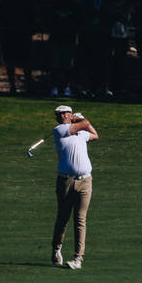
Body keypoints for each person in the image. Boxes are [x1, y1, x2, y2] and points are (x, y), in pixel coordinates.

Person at [49, 104, 98, 270]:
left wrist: (82, 120)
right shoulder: (60, 130)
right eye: (60, 114)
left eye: (66, 113)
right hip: (66, 182)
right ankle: (56, 248)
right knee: (63, 218)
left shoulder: (80, 134)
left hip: (85, 181)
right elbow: (85, 124)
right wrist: (81, 119)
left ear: (70, 115)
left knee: (80, 220)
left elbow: (95, 135)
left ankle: (78, 258)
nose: (63, 116)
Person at [0, 0, 34, 95]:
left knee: (26, 63)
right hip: (9, 36)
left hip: (23, 36)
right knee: (10, 62)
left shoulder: (26, 1)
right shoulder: (6, 2)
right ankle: (12, 86)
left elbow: (31, 19)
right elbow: (0, 19)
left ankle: (28, 86)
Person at [78, 0, 113, 96]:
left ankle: (104, 87)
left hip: (102, 34)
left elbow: (110, 15)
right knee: (88, 61)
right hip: (90, 34)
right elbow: (83, 14)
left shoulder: (107, 0)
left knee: (104, 61)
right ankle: (86, 87)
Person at [47, 0, 78, 97]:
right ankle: (54, 86)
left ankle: (66, 87)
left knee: (68, 65)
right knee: (55, 64)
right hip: (56, 38)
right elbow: (48, 20)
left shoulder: (73, 5)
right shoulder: (54, 5)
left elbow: (78, 21)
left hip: (69, 38)